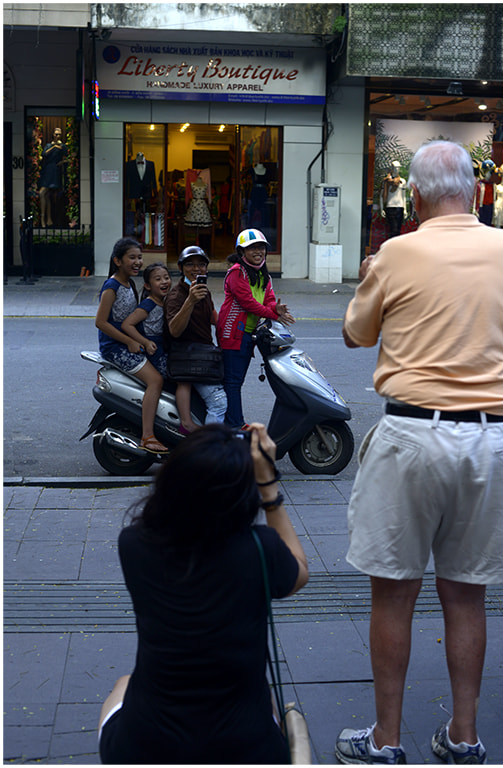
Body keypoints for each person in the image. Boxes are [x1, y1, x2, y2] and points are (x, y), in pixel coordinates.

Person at [336, 141, 503, 765]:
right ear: (475, 191)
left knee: (394, 592)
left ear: (414, 198)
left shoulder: (396, 252)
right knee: (467, 594)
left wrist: (374, 276)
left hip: (413, 438)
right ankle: (464, 737)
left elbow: (354, 334)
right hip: (494, 439)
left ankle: (387, 740)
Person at [97, 422, 309, 764]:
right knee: (263, 697)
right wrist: (268, 487)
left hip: (145, 746)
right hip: (245, 748)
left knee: (124, 683)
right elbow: (300, 572)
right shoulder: (260, 549)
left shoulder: (133, 545)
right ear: (240, 496)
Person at [95, 238, 169, 454]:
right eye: (132, 257)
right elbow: (100, 322)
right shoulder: (112, 286)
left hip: (129, 342)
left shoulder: (130, 283)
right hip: (114, 346)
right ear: (117, 261)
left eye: (139, 257)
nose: (138, 262)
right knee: (155, 380)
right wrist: (129, 341)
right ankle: (148, 436)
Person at [216, 229, 295, 429]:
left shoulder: (263, 274)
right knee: (233, 381)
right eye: (253, 248)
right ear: (242, 251)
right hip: (232, 332)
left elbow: (268, 300)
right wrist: (274, 314)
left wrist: (274, 309)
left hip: (249, 333)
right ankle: (234, 424)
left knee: (236, 381)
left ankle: (231, 421)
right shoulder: (237, 272)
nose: (258, 251)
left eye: (261, 247)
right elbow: (248, 303)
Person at [164, 245, 227, 432]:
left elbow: (213, 317)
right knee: (219, 402)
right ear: (181, 267)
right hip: (188, 357)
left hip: (203, 354)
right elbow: (174, 330)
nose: (196, 269)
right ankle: (208, 448)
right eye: (190, 264)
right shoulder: (177, 295)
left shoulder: (203, 290)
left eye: (201, 264)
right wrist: (190, 301)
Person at [121, 262, 172, 378]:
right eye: (158, 279)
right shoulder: (149, 304)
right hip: (153, 351)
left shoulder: (164, 302)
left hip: (162, 347)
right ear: (148, 286)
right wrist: (145, 342)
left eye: (166, 278)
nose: (164, 281)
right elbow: (127, 325)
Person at [38, 127, 68, 227]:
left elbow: (67, 157)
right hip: (48, 170)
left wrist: (62, 162)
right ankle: (44, 219)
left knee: (50, 195)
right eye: (56, 134)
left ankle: (50, 220)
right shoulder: (48, 145)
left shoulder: (63, 146)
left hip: (55, 170)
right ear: (53, 135)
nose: (57, 136)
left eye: (59, 134)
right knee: (44, 193)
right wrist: (53, 146)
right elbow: (44, 154)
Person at [379, 160, 407, 238]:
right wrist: (382, 209)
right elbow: (381, 196)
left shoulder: (402, 181)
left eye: (398, 168)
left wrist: (405, 209)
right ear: (391, 168)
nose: (397, 169)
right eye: (395, 167)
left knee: (397, 230)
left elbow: (403, 196)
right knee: (392, 230)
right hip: (390, 207)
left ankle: (396, 248)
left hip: (400, 207)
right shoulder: (386, 181)